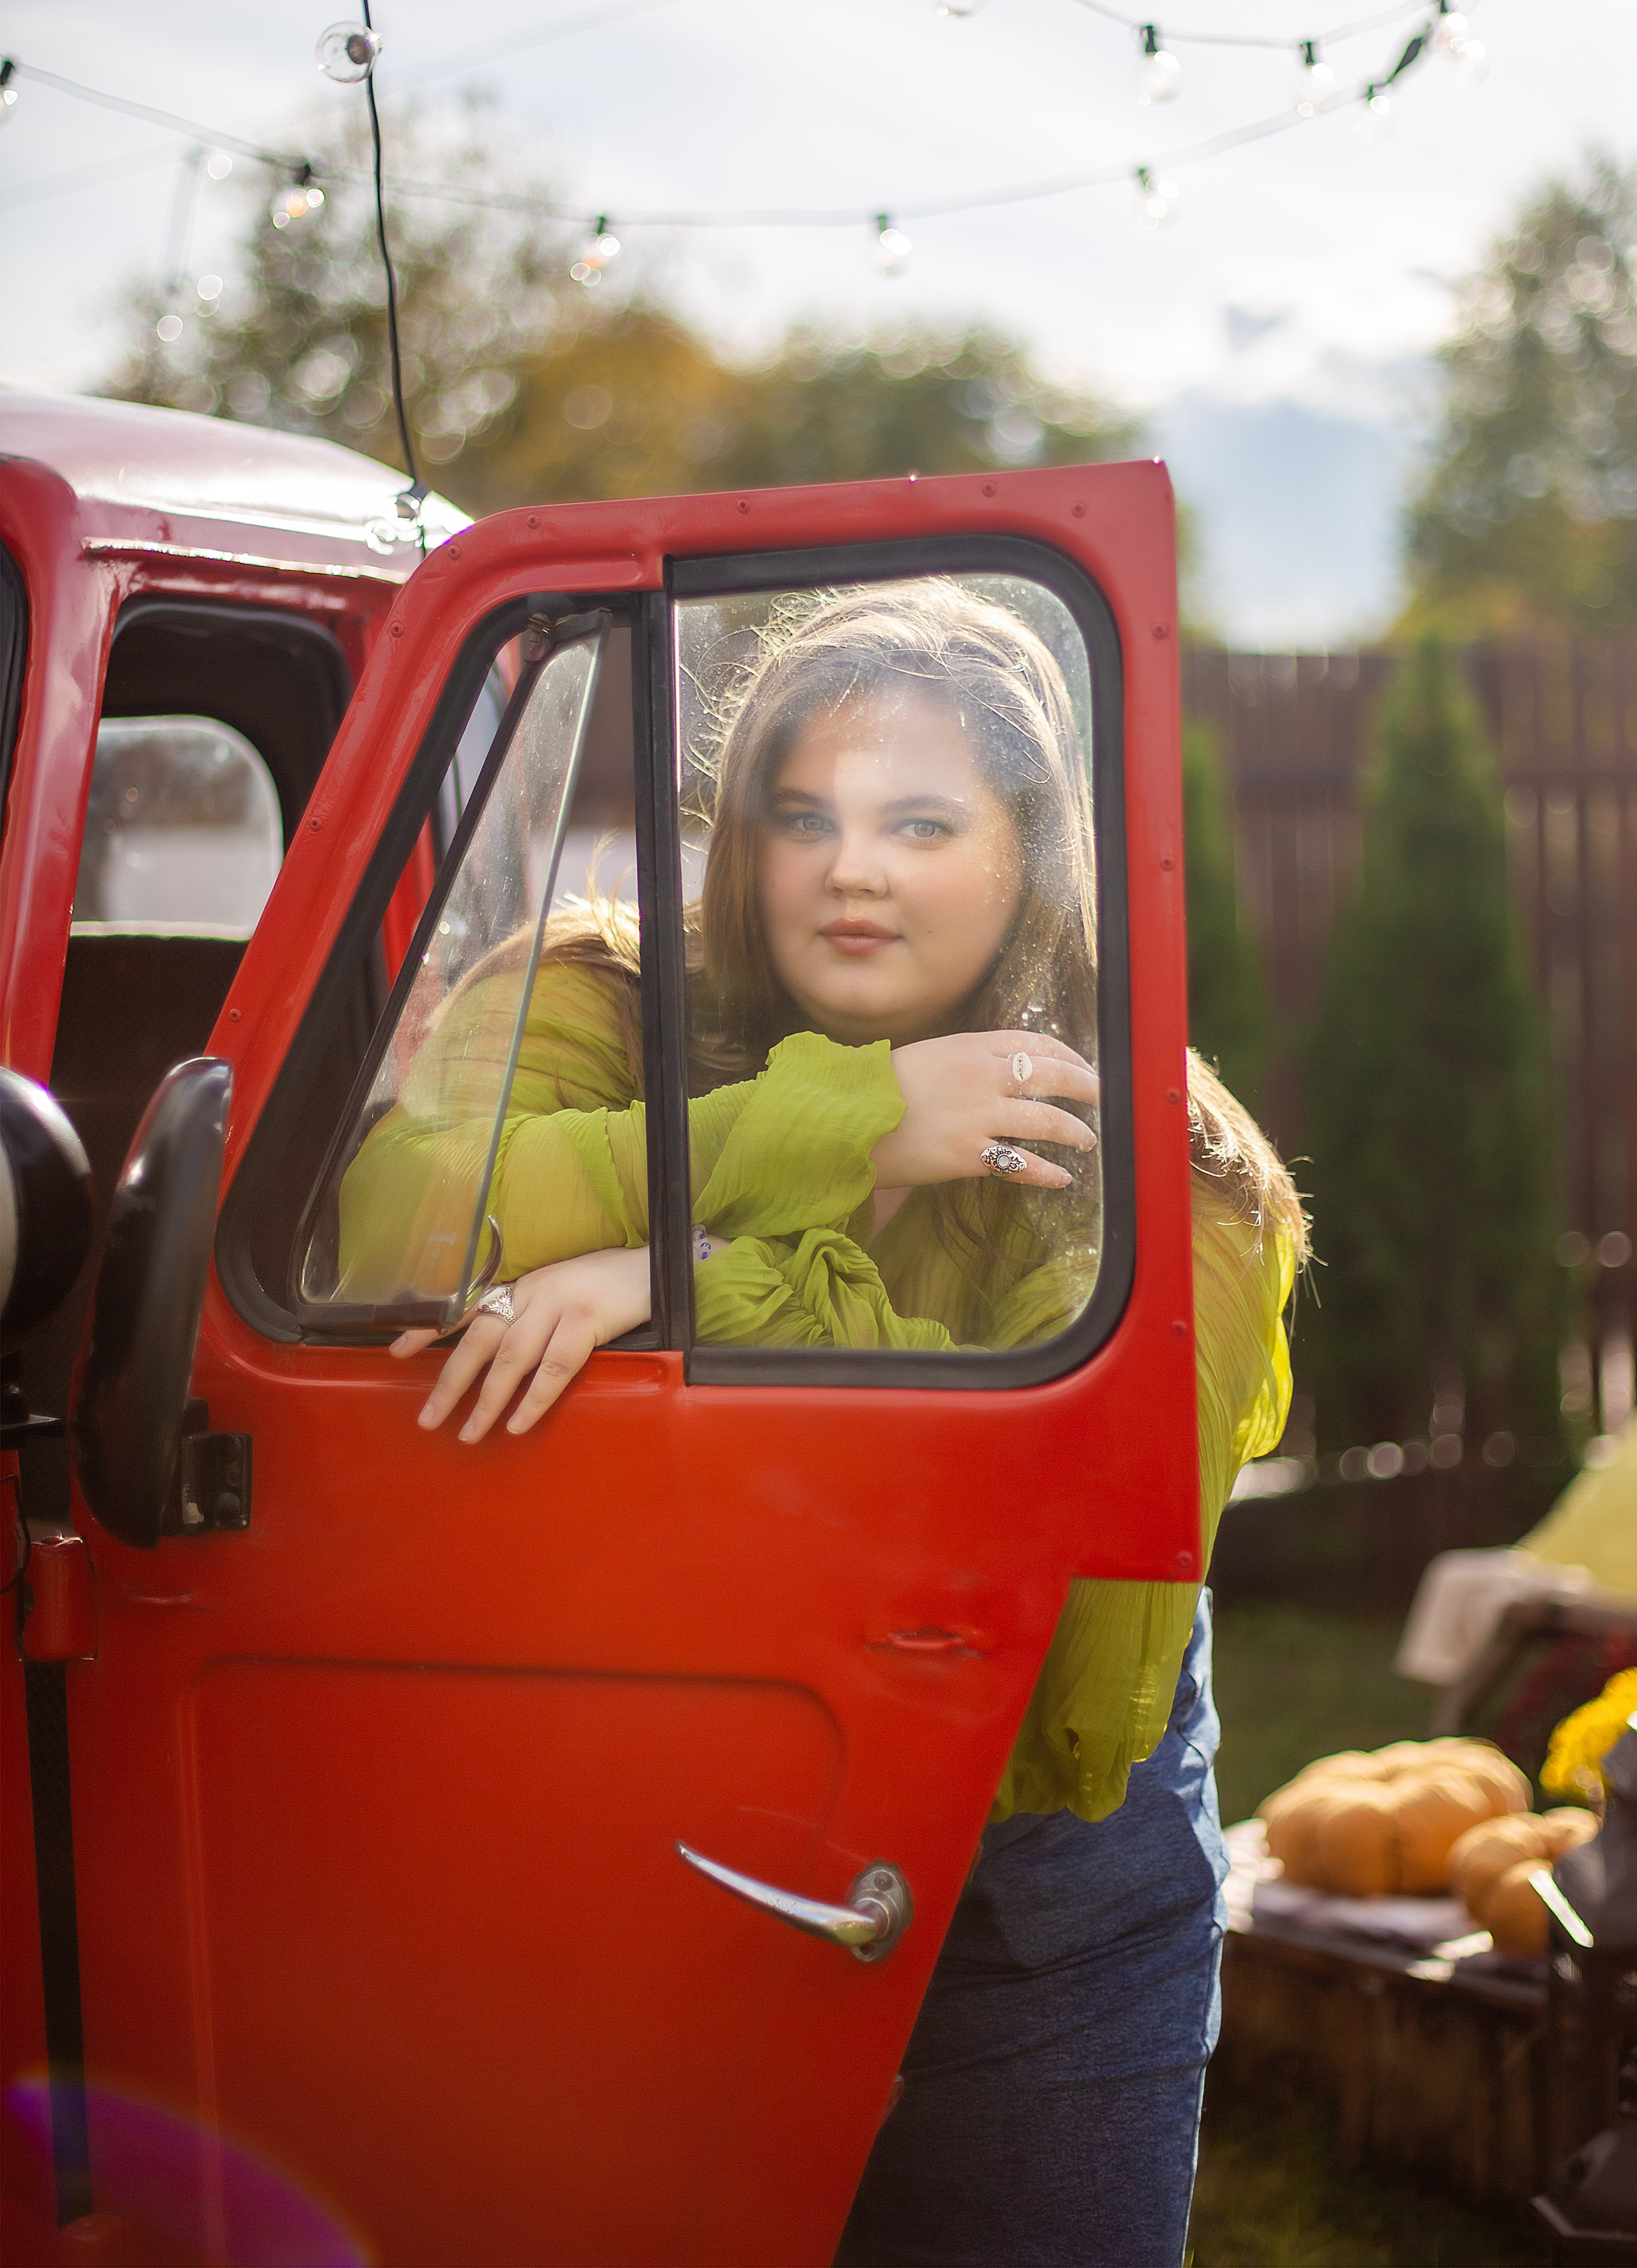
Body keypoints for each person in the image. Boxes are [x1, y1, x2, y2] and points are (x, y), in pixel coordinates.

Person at [340, 581, 1307, 2267]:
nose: (851, 866)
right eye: (807, 814)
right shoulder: (588, 990)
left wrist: (687, 1278)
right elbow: (393, 1236)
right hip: (625, 1781)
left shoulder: (1184, 1175)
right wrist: (848, 1123)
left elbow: (1066, 1681)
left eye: (921, 820)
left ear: (1035, 852)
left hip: (1036, 1890)